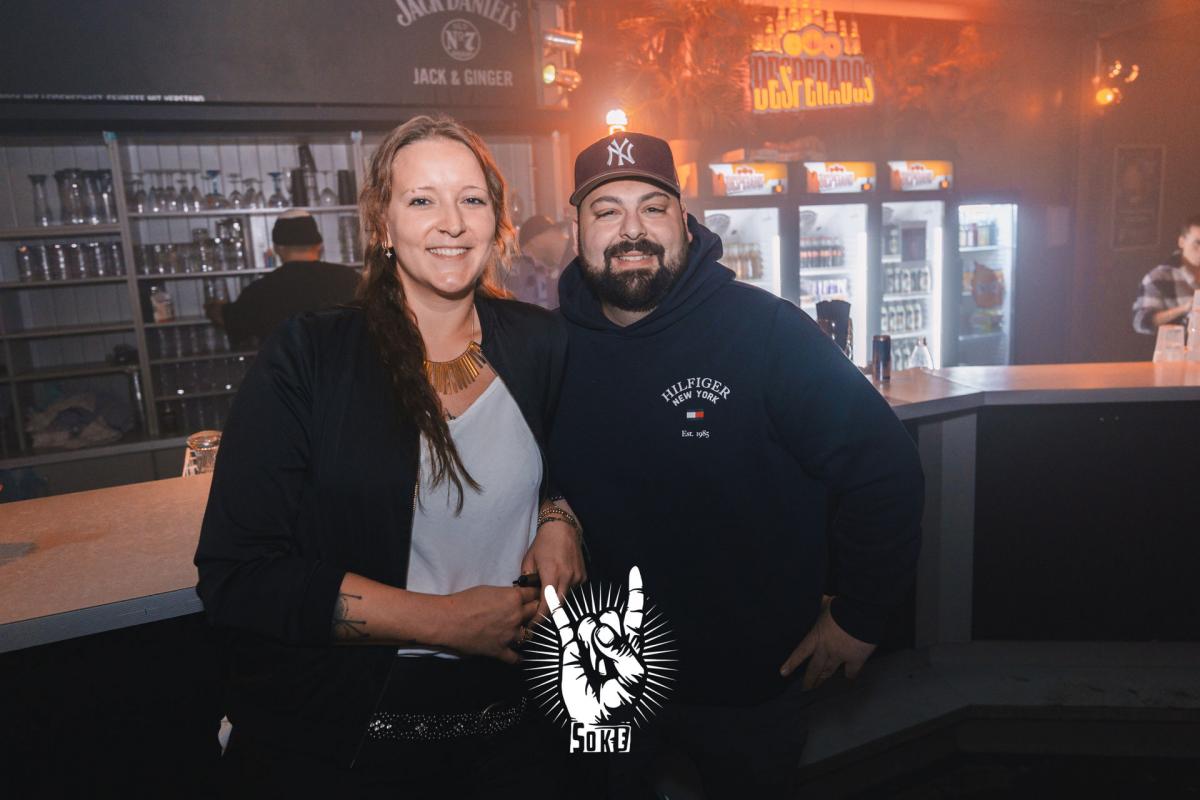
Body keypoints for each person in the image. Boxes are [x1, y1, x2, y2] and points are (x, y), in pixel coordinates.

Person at [194, 115, 585, 796]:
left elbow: (575, 463)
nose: (452, 223)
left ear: (498, 220)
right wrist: (444, 621)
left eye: (471, 199)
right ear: (382, 222)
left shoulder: (541, 343)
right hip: (345, 741)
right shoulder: (311, 355)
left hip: (515, 732)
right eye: (422, 199)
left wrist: (561, 516)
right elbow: (239, 576)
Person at [547, 132, 924, 797]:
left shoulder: (766, 332)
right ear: (576, 230)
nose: (632, 230)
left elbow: (884, 470)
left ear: (685, 222)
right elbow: (521, 466)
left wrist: (861, 618)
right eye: (607, 211)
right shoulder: (548, 346)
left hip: (747, 686)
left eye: (653, 208)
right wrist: (553, 510)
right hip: (600, 677)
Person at [203, 209, 360, 348]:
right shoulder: (350, 279)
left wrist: (213, 308)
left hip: (287, 372)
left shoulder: (261, 290)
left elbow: (228, 319)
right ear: (319, 245)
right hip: (343, 370)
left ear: (277, 248)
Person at [1132, 214, 1200, 335]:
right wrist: (1185, 308)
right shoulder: (1159, 277)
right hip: (1177, 345)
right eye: (1197, 243)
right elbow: (1141, 322)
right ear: (1182, 242)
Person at [504, 214, 573, 308]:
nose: (535, 263)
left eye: (531, 255)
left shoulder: (577, 257)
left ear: (535, 242)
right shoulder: (565, 264)